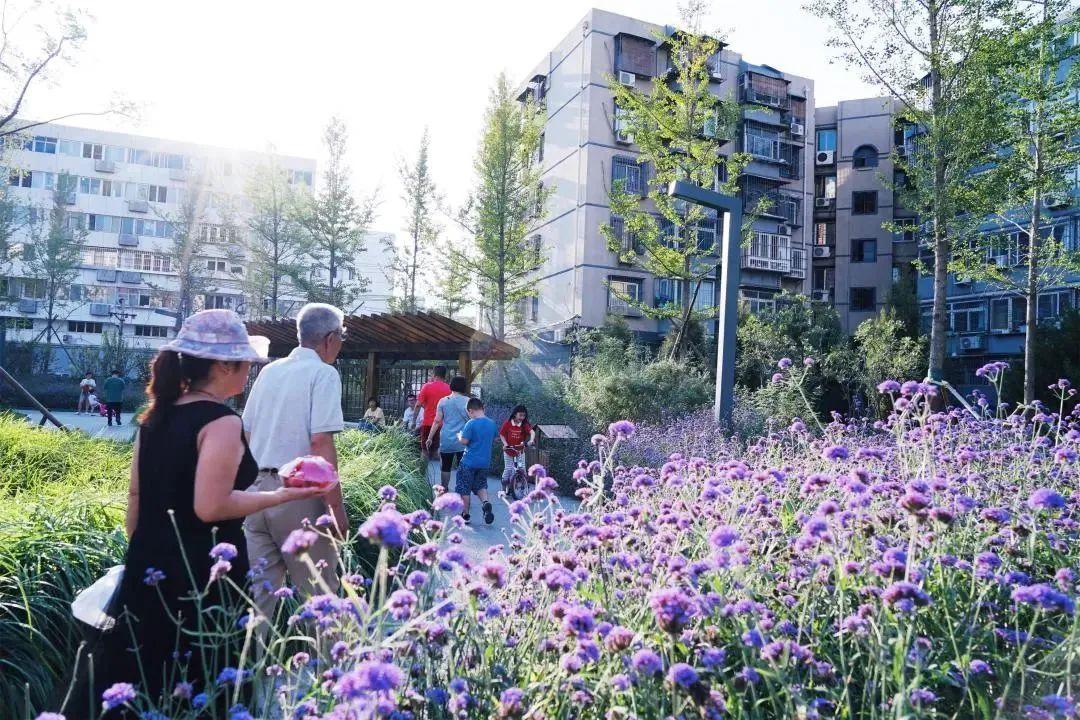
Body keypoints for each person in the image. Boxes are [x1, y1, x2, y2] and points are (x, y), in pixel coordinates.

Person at [68, 310, 327, 719]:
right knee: (201, 679)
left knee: (140, 677)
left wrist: (142, 557)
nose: (249, 373)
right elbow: (211, 506)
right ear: (225, 366)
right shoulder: (221, 421)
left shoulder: (156, 415)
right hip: (203, 569)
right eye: (246, 364)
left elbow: (135, 498)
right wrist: (279, 495)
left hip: (146, 562)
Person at [242, 303, 349, 620]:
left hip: (257, 494)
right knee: (320, 597)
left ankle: (251, 666)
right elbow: (320, 443)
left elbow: (245, 434)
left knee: (259, 599)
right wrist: (336, 508)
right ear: (330, 338)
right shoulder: (324, 374)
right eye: (342, 337)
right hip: (299, 494)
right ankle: (327, 668)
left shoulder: (269, 371)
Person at [456, 397, 497, 524]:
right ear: (482, 408)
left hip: (469, 461)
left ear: (470, 411)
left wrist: (459, 435)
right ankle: (486, 503)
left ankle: (465, 514)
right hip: (484, 462)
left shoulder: (471, 423)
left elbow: (464, 441)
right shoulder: (492, 423)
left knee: (464, 487)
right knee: (480, 485)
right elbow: (495, 439)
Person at [427, 375, 470, 490]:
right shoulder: (469, 402)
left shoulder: (443, 401)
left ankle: (444, 488)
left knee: (445, 466)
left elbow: (437, 421)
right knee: (464, 466)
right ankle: (462, 489)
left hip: (447, 438)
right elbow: (473, 421)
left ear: (451, 385)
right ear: (464, 387)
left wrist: (430, 437)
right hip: (463, 440)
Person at [415, 365, 450, 459]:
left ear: (434, 374)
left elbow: (418, 405)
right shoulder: (449, 389)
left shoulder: (427, 386)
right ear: (445, 375)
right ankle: (441, 472)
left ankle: (422, 473)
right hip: (442, 425)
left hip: (428, 423)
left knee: (425, 451)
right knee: (437, 451)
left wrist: (414, 420)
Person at [499, 404, 536, 493]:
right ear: (515, 414)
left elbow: (532, 432)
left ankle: (524, 486)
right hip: (509, 450)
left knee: (522, 468)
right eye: (520, 415)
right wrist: (505, 444)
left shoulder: (524, 424)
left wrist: (531, 440)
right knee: (508, 468)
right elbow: (502, 434)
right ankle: (504, 486)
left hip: (520, 450)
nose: (522, 417)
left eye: (524, 415)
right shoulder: (508, 423)